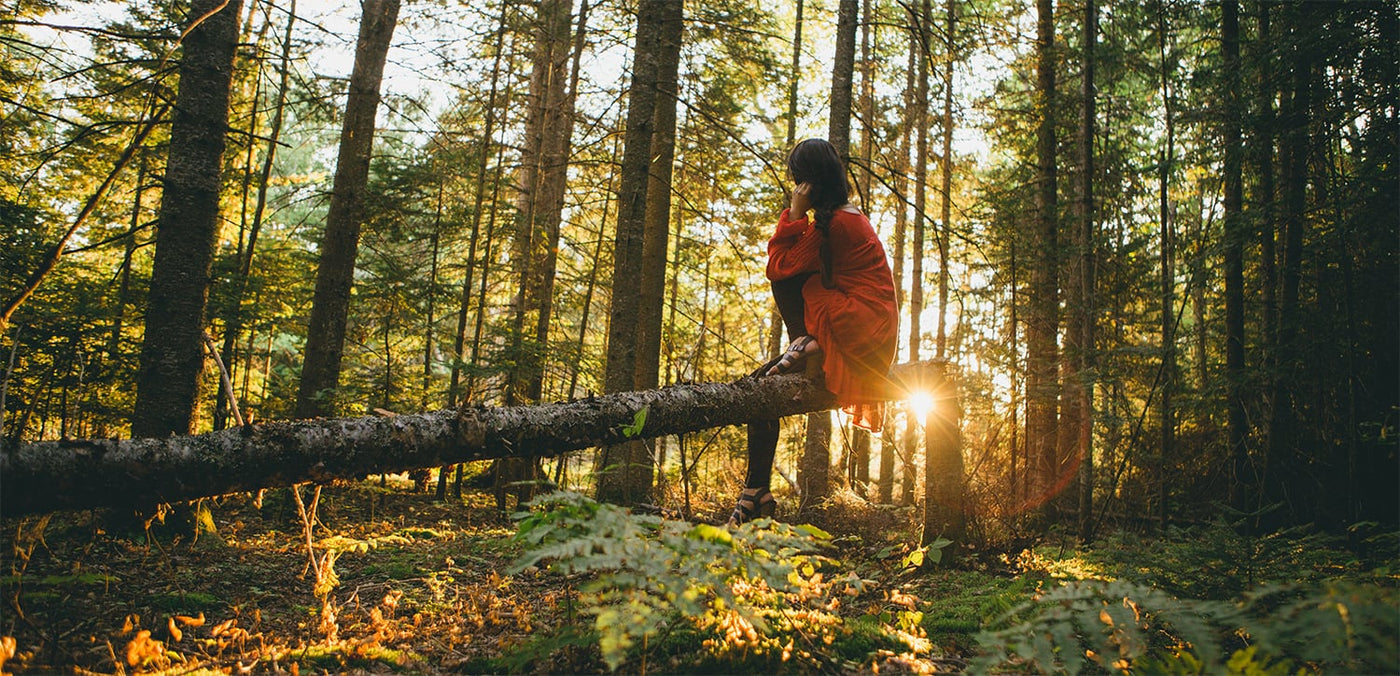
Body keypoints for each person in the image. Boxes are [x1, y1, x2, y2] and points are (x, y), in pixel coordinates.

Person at [729, 138, 899, 525]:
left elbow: (778, 266)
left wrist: (793, 212)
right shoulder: (841, 216)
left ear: (807, 182)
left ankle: (806, 343)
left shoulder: (836, 223)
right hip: (864, 326)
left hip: (858, 326)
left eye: (798, 180)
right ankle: (757, 490)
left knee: (789, 277)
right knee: (762, 385)